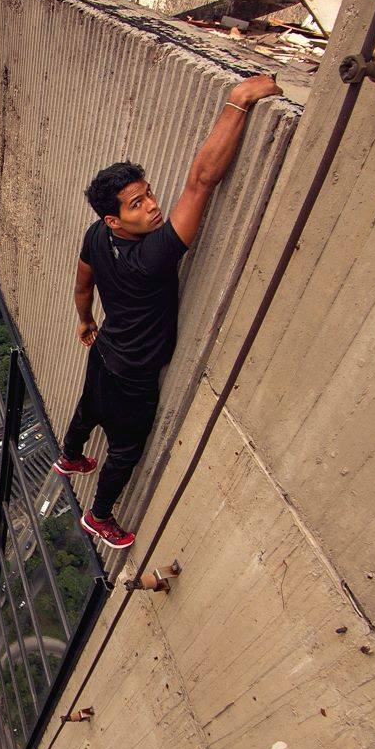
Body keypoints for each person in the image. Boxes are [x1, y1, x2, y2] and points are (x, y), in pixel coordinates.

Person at [54, 74, 282, 549]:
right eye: (137, 205)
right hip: (133, 372)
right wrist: (238, 102)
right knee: (124, 450)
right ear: (115, 218)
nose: (153, 207)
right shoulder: (153, 256)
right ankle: (98, 516)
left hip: (105, 350)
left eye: (149, 194)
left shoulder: (98, 235)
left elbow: (83, 282)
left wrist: (84, 319)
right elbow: (201, 181)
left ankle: (70, 456)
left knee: (88, 406)